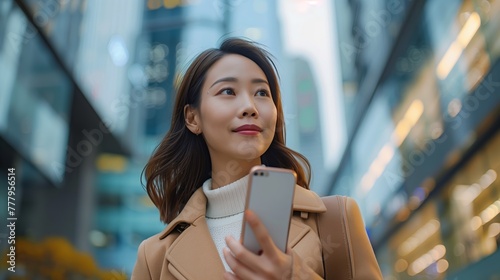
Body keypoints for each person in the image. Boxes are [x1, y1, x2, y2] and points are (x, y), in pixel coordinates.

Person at [132, 38, 379, 280]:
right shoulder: (154, 257)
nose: (250, 106)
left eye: (261, 92)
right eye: (228, 91)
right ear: (193, 118)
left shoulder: (336, 219)